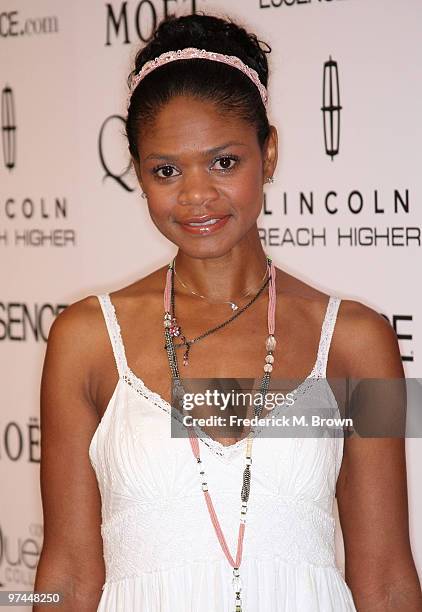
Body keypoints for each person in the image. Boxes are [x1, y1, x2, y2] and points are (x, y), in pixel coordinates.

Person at [33, 12, 422, 612]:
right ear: (137, 173)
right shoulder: (85, 339)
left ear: (269, 154)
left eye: (223, 162)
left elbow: (388, 578)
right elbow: (69, 573)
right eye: (166, 170)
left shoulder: (357, 341)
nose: (196, 196)